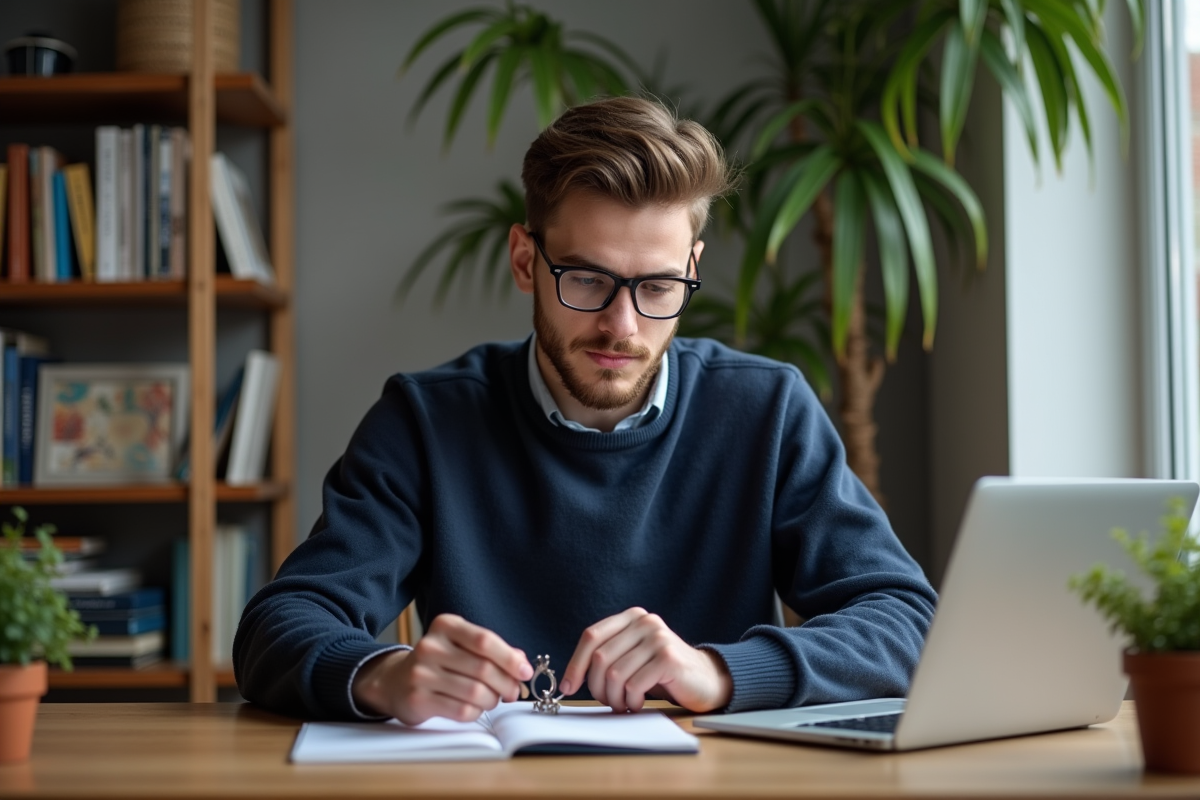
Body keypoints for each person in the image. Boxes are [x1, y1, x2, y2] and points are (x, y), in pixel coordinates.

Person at [234, 96, 937, 724]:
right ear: (524, 260)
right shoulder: (424, 422)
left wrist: (717, 671)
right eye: (588, 279)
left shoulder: (766, 409)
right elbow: (278, 625)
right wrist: (383, 675)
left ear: (691, 268)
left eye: (659, 287)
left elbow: (906, 621)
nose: (622, 326)